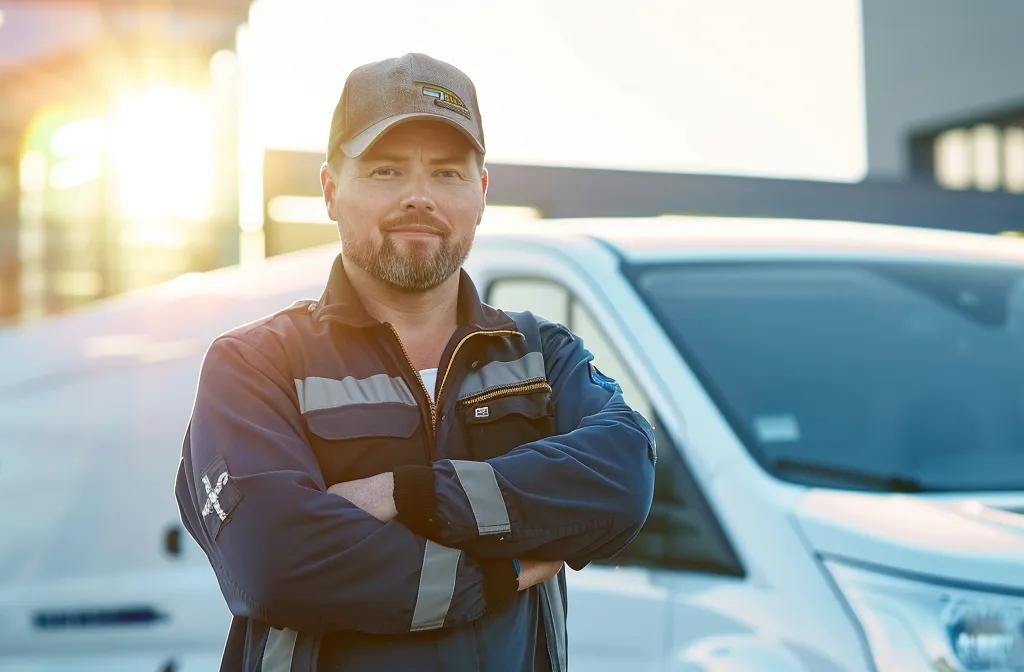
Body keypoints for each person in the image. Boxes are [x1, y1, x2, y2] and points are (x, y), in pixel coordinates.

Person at [174, 52, 656, 672]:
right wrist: (499, 575)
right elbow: (274, 561)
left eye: (448, 174)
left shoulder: (542, 357)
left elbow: (623, 479)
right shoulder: (255, 366)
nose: (419, 198)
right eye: (384, 171)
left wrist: (411, 492)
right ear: (330, 190)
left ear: (481, 194)